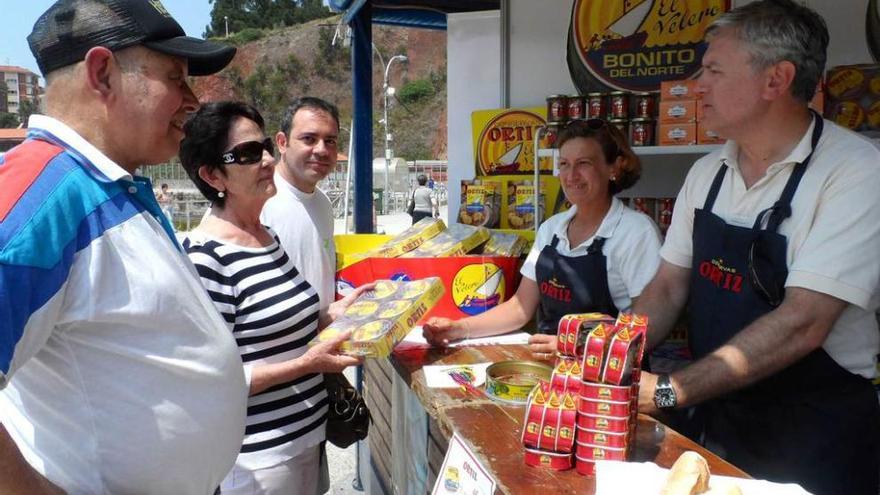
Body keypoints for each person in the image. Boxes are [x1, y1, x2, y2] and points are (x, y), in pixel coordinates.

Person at [0, 1, 247, 494]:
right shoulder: (41, 193)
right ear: (101, 73)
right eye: (175, 77)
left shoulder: (107, 183)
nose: (193, 99)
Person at [633, 2, 880, 493]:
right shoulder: (707, 174)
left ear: (776, 80)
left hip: (814, 435)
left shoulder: (856, 172)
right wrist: (611, 353)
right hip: (721, 422)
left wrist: (669, 388)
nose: (697, 84)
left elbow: (804, 322)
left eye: (714, 69)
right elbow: (665, 288)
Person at [180, 101, 367, 495]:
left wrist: (338, 313)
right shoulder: (205, 256)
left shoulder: (268, 238)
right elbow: (211, 380)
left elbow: (285, 330)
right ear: (214, 175)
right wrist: (306, 364)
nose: (266, 160)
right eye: (247, 154)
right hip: (256, 459)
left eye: (263, 146)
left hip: (306, 435)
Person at [423, 119, 661, 355]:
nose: (571, 175)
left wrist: (578, 346)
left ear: (614, 168)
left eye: (584, 163)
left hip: (606, 377)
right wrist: (458, 329)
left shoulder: (636, 232)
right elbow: (520, 307)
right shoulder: (551, 229)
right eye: (565, 164)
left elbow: (647, 323)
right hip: (550, 370)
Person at [261, 97, 339, 314]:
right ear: (282, 142)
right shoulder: (256, 201)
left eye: (330, 141)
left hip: (322, 342)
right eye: (309, 139)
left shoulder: (323, 203)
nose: (322, 150)